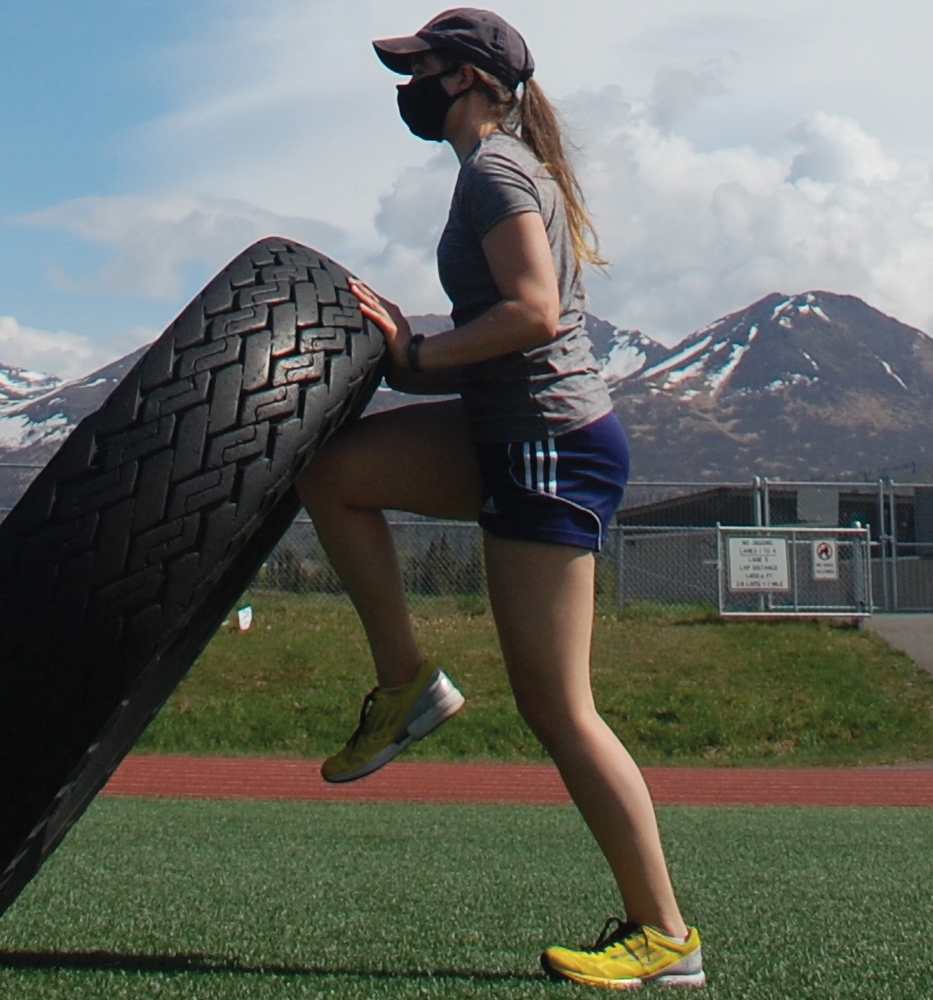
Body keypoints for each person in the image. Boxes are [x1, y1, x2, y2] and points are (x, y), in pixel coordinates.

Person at [294, 8, 704, 990]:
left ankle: (665, 938)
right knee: (335, 473)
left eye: (423, 67)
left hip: (550, 444)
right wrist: (405, 357)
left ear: (473, 78)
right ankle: (404, 688)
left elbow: (531, 312)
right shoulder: (489, 169)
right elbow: (502, 331)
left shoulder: (496, 170)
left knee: (556, 706)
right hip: (501, 430)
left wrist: (421, 352)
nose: (409, 83)